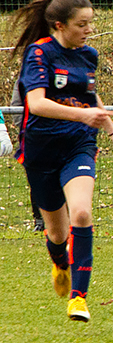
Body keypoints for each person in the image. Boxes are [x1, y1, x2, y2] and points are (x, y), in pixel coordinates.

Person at [12, 0, 113, 322]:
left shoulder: (88, 56)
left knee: (81, 212)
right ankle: (58, 260)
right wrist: (83, 116)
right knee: (57, 234)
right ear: (59, 25)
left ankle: (78, 299)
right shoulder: (39, 53)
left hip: (79, 145)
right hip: (40, 150)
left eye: (91, 24)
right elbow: (36, 104)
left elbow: (91, 98)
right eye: (82, 24)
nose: (89, 30)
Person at [11, 78, 44, 231]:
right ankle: (39, 220)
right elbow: (16, 106)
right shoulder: (24, 79)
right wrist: (26, 130)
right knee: (37, 180)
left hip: (59, 138)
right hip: (32, 138)